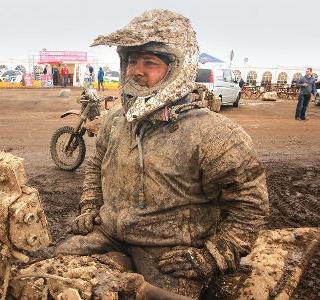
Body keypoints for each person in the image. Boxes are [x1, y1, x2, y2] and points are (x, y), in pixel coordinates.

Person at [56, 9, 269, 299]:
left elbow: (249, 205)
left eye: (150, 62)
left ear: (177, 69)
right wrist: (91, 206)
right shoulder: (115, 121)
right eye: (131, 60)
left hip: (169, 250)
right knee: (52, 275)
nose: (136, 71)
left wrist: (213, 256)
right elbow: (96, 165)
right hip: (109, 235)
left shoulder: (214, 135)